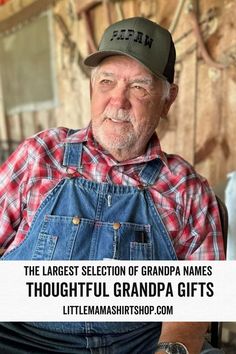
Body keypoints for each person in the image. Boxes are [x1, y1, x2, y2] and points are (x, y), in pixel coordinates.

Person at [0, 17, 225, 354]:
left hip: (138, 345)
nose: (118, 101)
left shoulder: (186, 188)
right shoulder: (42, 156)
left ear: (168, 99)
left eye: (139, 86)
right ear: (92, 88)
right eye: (107, 81)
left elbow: (197, 303)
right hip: (25, 340)